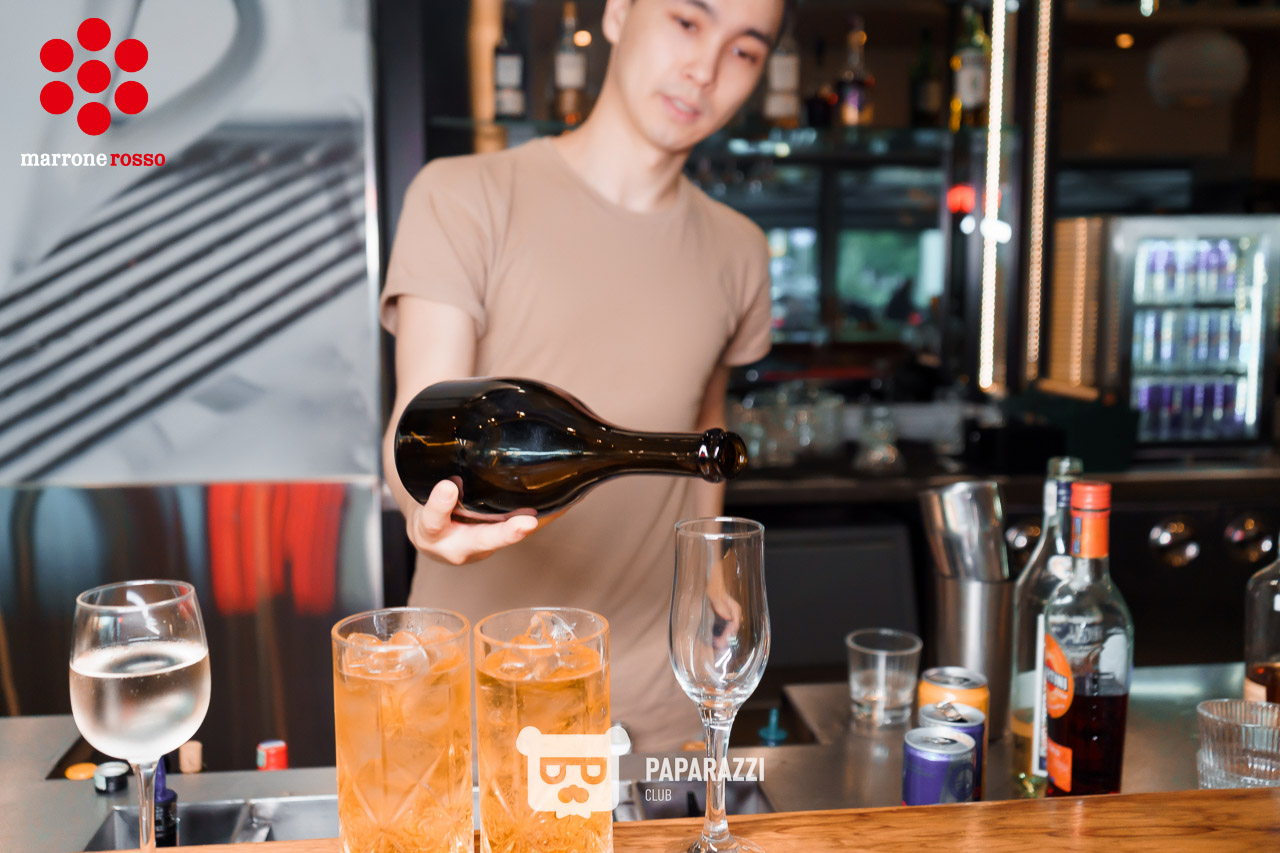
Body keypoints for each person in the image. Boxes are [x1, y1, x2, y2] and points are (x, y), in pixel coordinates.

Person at [379, 0, 789, 750]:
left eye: (744, 51)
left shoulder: (740, 250)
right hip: (476, 696)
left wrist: (713, 572)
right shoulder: (463, 194)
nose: (705, 69)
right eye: (687, 22)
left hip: (658, 704)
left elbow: (702, 427)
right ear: (619, 12)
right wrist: (427, 519)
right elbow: (419, 419)